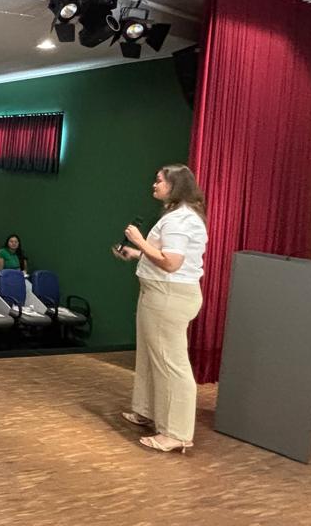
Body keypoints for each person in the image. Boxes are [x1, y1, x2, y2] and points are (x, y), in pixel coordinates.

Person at [114, 164, 209, 454]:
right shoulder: (176, 216)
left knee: (170, 363)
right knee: (149, 355)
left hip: (169, 296)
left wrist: (139, 240)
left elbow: (171, 263)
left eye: (159, 181)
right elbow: (163, 256)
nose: (154, 185)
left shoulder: (181, 220)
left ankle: (176, 433)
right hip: (156, 293)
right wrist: (137, 253)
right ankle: (146, 410)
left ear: (174, 185)